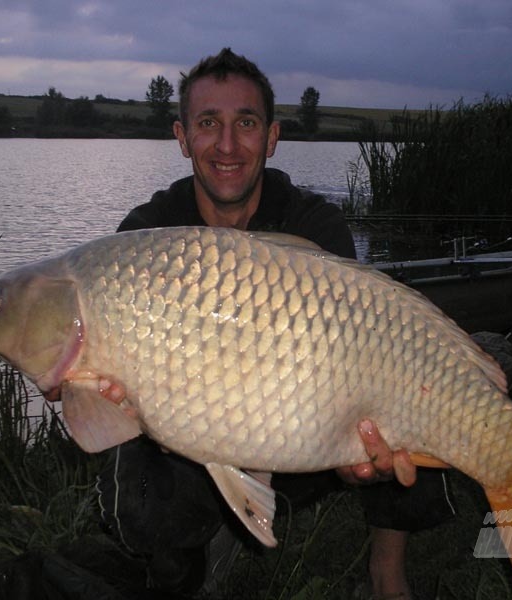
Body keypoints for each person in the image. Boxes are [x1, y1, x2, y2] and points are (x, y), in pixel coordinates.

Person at [101, 48, 456, 600]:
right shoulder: (145, 236)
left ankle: (387, 570)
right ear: (181, 135)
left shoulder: (314, 225)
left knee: (414, 383)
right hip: (195, 440)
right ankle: (189, 565)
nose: (226, 145)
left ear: (271, 137)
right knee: (140, 489)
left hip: (312, 434)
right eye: (208, 124)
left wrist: (350, 453)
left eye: (245, 123)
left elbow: (368, 358)